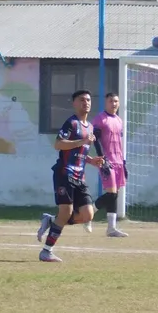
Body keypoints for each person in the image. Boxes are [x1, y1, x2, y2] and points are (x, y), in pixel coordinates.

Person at [35, 90, 106, 263]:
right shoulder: (71, 123)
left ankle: (51, 220)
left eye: (88, 100)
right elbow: (58, 144)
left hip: (79, 176)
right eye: (81, 100)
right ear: (74, 103)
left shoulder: (89, 127)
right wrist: (82, 141)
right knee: (66, 212)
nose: (86, 103)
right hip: (64, 173)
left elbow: (79, 153)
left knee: (88, 214)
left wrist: (92, 161)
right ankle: (46, 251)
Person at [91, 92, 128, 237]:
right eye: (111, 101)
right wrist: (102, 158)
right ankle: (89, 212)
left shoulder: (119, 120)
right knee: (111, 193)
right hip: (107, 160)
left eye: (116, 101)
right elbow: (96, 139)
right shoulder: (100, 119)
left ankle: (111, 228)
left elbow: (120, 143)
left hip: (118, 161)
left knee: (114, 194)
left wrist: (124, 162)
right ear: (106, 103)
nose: (114, 104)